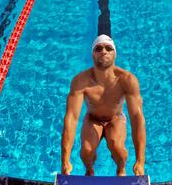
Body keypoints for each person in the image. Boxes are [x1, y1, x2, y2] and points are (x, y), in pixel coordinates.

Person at [61, 34, 146, 176]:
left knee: (118, 149)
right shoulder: (80, 81)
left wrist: (140, 161)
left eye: (108, 48)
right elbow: (71, 118)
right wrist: (65, 160)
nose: (103, 51)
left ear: (115, 54)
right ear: (92, 54)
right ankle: (89, 170)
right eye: (98, 48)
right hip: (93, 118)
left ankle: (120, 169)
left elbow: (137, 118)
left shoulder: (127, 80)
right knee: (86, 152)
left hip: (115, 118)